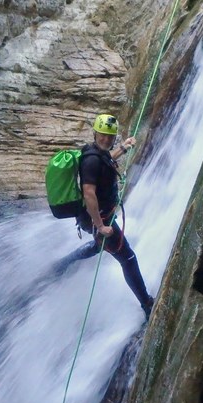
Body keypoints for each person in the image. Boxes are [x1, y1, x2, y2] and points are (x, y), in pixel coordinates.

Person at [53, 114, 155, 319]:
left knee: (100, 246)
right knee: (128, 258)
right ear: (95, 133)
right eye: (103, 135)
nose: (107, 140)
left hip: (97, 217)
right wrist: (100, 227)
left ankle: (64, 264)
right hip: (97, 219)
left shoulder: (97, 153)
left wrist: (124, 148)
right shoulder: (91, 161)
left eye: (110, 136)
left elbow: (107, 160)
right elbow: (89, 193)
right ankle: (146, 303)